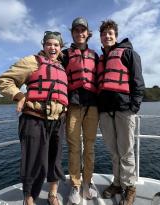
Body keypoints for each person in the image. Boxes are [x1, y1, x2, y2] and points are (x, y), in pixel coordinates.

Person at [0, 31, 68, 205]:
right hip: (35, 118)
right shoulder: (32, 61)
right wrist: (19, 96)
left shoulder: (61, 66)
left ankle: (52, 194)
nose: (53, 47)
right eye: (49, 44)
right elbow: (3, 81)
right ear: (43, 46)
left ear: (60, 48)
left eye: (56, 45)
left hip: (58, 121)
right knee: (32, 162)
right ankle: (28, 199)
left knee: (55, 160)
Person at [97, 20, 145, 205]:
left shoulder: (128, 53)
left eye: (110, 33)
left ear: (115, 35)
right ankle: (117, 183)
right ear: (100, 38)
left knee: (126, 151)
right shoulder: (101, 60)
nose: (107, 36)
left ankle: (130, 186)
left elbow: (138, 82)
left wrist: (134, 107)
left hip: (124, 110)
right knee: (113, 152)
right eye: (104, 34)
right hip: (105, 112)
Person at [62, 17, 99, 204]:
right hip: (73, 105)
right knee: (74, 147)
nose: (80, 33)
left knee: (90, 146)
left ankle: (88, 181)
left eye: (82, 30)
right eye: (76, 30)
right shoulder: (65, 54)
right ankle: (75, 184)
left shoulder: (96, 55)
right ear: (72, 33)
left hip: (92, 105)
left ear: (87, 33)